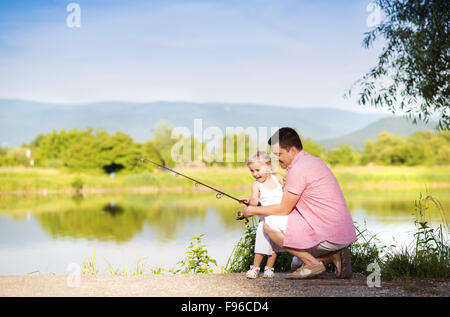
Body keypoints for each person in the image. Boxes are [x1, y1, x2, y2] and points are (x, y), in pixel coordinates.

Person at [242, 128, 357, 279]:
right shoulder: (312, 161)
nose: (276, 159)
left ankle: (313, 264)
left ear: (293, 150)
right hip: (340, 233)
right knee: (295, 264)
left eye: (278, 154)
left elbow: (283, 209)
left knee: (269, 223)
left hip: (328, 233)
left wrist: (252, 210)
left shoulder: (298, 168)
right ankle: (335, 256)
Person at [239, 151, 287, 279]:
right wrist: (249, 201)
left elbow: (288, 188)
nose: (255, 174)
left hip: (280, 217)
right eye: (252, 171)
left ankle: (269, 268)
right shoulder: (257, 185)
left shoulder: (277, 177)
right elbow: (255, 201)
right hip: (266, 219)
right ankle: (255, 267)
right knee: (261, 244)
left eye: (258, 170)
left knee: (274, 246)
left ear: (269, 167)